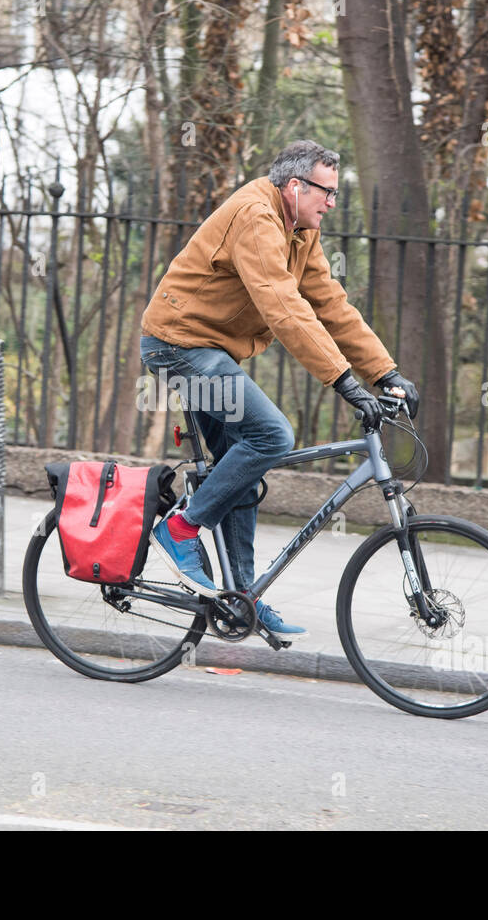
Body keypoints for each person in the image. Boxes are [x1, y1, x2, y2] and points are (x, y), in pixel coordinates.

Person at [140, 140, 419, 639]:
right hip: (178, 346)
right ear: (295, 186)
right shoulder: (256, 216)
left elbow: (329, 304)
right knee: (271, 436)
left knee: (241, 478)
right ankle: (179, 530)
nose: (331, 203)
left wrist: (385, 373)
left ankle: (239, 599)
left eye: (336, 194)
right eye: (326, 192)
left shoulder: (299, 230)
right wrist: (344, 383)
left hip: (214, 350)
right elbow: (282, 307)